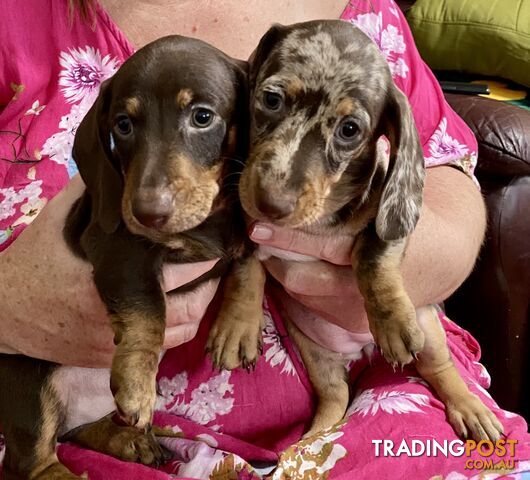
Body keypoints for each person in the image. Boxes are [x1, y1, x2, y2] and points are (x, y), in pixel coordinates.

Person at [0, 0, 528, 478]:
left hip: (378, 389)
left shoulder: (361, 20)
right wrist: (8, 306)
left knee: (478, 461)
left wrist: (385, 280)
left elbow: (444, 177)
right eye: (270, 101)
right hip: (85, 416)